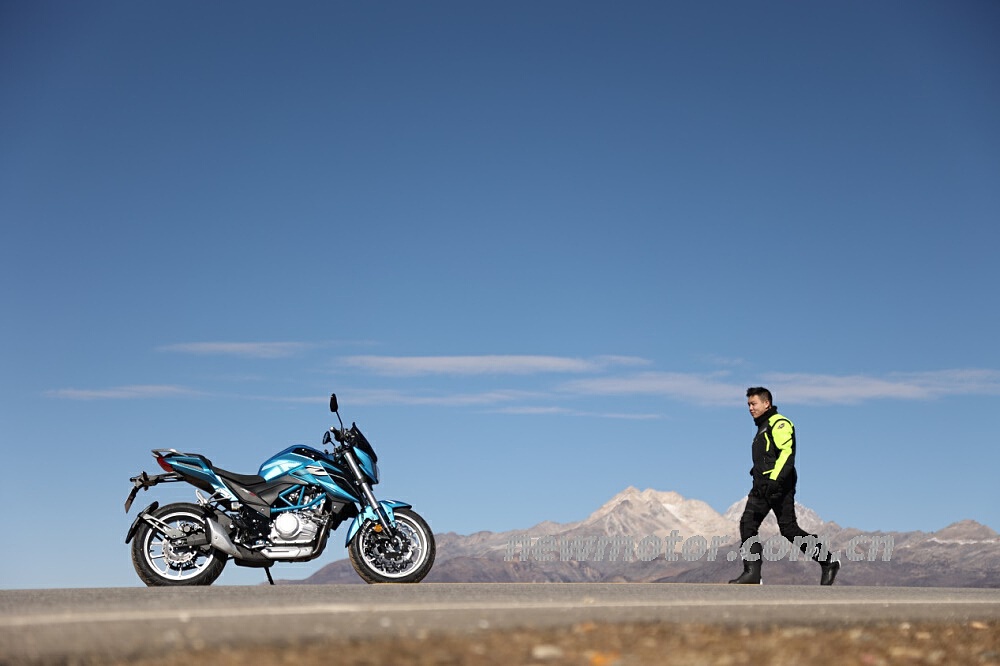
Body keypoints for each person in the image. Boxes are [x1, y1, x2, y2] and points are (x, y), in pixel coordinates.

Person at [729, 387, 840, 585]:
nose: (750, 408)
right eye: (748, 405)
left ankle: (828, 561)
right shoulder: (762, 428)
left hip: (779, 485)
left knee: (789, 530)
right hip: (761, 487)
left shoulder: (779, 423)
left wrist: (774, 481)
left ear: (766, 403)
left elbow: (786, 453)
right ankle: (752, 573)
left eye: (753, 404)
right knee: (748, 524)